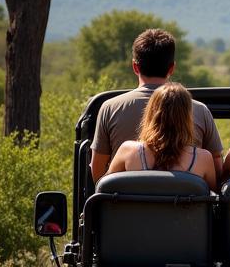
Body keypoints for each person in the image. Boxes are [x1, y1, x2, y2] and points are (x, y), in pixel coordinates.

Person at [90, 28, 222, 183]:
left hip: (131, 205)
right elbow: (216, 174)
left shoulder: (109, 108)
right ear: (171, 68)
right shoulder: (200, 110)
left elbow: (99, 175)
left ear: (135, 67)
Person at [106, 82, 217, 191]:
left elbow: (105, 188)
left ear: (151, 113)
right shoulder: (204, 159)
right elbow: (214, 198)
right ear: (187, 117)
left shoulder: (128, 151)